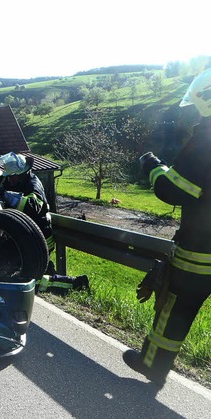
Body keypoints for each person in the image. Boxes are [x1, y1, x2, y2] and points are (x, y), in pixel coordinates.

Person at [123, 69, 211, 387]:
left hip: (199, 255)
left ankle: (153, 366)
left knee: (176, 312)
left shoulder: (205, 140)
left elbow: (173, 189)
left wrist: (152, 166)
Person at [0, 152, 89, 294]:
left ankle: (75, 284)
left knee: (27, 280)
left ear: (22, 173)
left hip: (37, 239)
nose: (10, 180)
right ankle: (48, 268)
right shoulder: (16, 179)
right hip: (22, 236)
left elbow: (31, 206)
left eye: (12, 176)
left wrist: (4, 194)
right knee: (14, 266)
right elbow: (2, 179)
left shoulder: (33, 185)